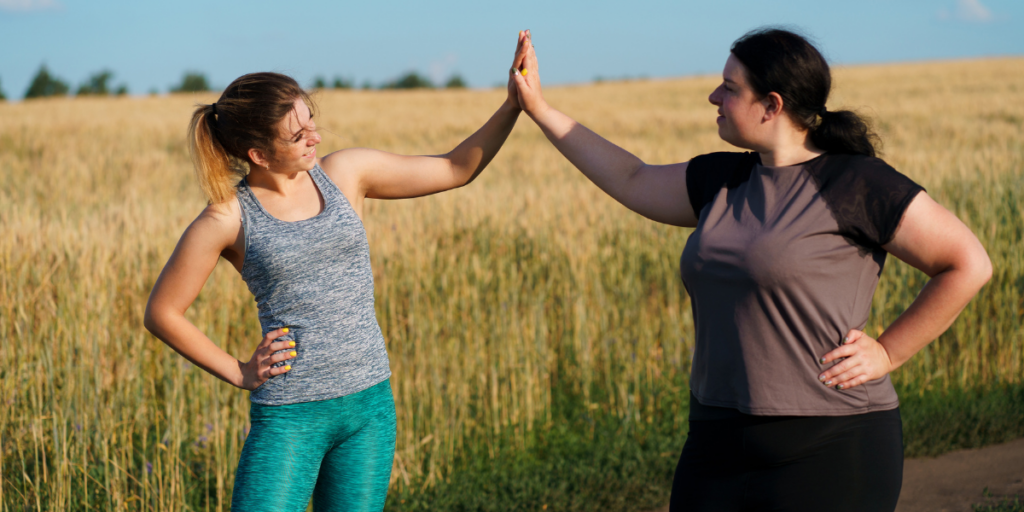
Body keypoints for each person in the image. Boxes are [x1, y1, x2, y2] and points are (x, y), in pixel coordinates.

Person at [509, 28, 992, 511]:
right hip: (715, 439)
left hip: (832, 442)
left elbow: (967, 264)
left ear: (771, 105)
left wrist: (887, 352)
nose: (713, 97)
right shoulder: (721, 180)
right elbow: (631, 177)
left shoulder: (854, 184)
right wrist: (539, 109)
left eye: (729, 88)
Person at [143, 33, 532, 512]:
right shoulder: (227, 217)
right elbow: (163, 312)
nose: (316, 137)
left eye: (312, 121)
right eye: (298, 135)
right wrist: (239, 371)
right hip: (290, 416)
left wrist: (512, 104)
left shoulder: (346, 173)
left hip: (368, 408)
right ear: (259, 154)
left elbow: (455, 168)